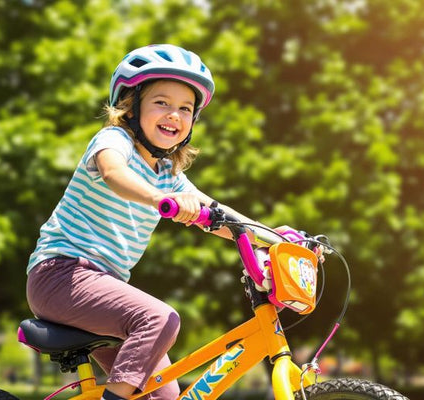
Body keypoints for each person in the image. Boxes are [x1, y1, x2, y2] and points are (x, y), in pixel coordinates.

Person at [26, 44, 298, 400]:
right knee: (161, 318)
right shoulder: (113, 140)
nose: (174, 114)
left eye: (185, 108)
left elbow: (219, 214)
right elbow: (113, 173)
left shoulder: (168, 173)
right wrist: (159, 199)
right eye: (161, 102)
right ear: (131, 105)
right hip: (60, 276)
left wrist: (274, 237)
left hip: (102, 289)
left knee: (163, 394)